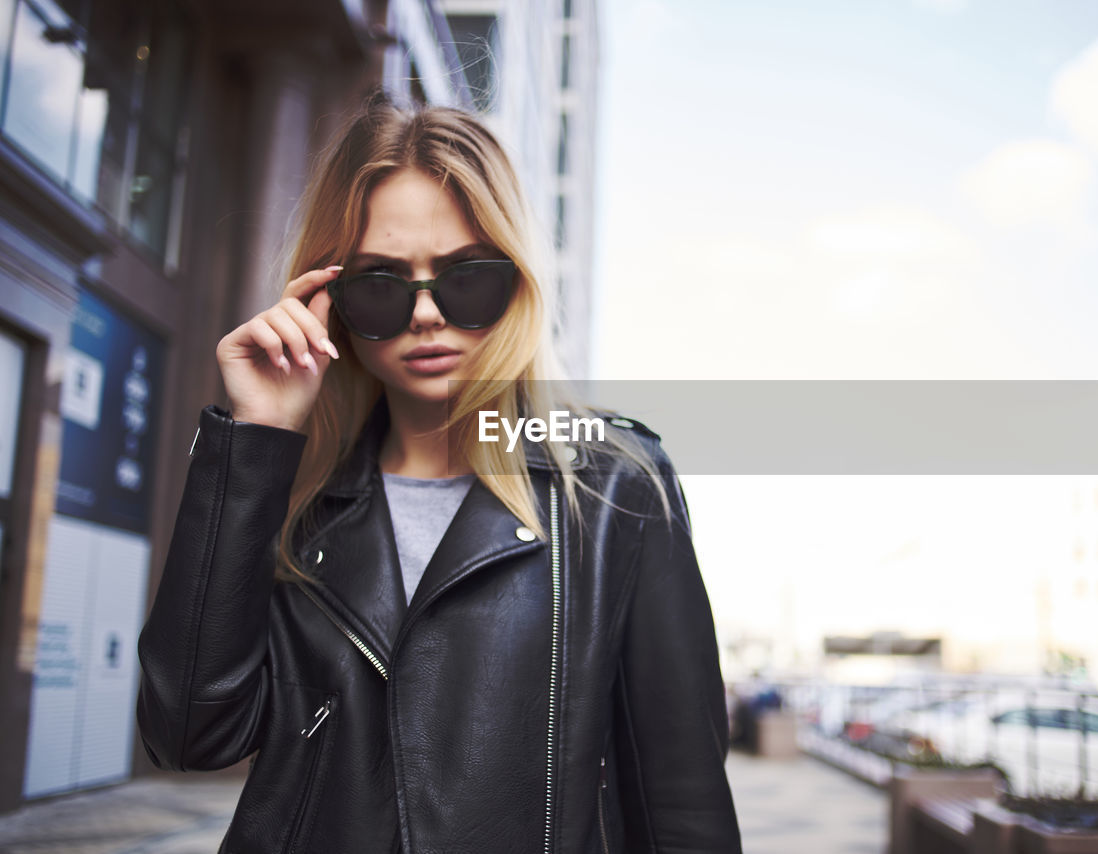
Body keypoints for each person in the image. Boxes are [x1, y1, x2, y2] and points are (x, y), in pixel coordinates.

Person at [135, 93, 741, 854]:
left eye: (466, 279)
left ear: (517, 282)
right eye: (382, 284)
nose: (426, 315)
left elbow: (681, 802)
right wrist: (258, 438)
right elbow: (189, 732)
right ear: (331, 302)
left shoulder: (616, 485)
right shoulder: (291, 486)